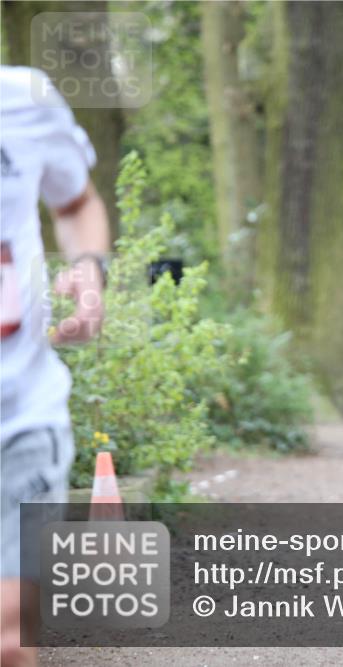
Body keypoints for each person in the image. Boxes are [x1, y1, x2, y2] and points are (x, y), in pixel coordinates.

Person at [1, 66, 110, 666]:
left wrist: (90, 271)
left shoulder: (25, 99)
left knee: (10, 636)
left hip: (19, 409)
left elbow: (76, 202)